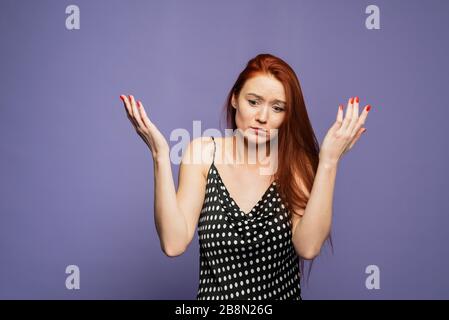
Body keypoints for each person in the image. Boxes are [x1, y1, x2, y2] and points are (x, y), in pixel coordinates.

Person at [119, 53, 371, 300]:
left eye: (277, 108)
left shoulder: (295, 165)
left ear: (286, 116)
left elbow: (308, 247)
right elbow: (173, 244)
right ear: (234, 99)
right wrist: (159, 155)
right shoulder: (203, 154)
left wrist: (328, 162)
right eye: (253, 102)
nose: (262, 117)